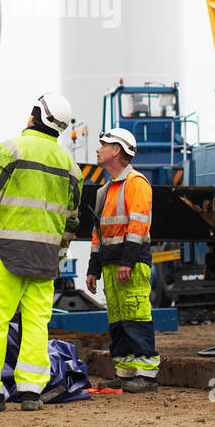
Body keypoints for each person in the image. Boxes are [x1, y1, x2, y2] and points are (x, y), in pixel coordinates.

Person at [0, 93, 81, 414]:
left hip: (6, 255)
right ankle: (29, 392)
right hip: (45, 260)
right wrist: (58, 255)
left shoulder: (11, 150)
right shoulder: (71, 167)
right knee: (37, 324)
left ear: (34, 116)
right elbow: (71, 221)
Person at [85, 127, 160, 392]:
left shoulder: (136, 183)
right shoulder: (104, 191)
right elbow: (98, 234)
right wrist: (93, 269)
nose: (98, 149)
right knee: (118, 319)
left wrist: (128, 262)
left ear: (117, 150)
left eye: (102, 145)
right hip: (111, 265)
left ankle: (147, 376)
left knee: (136, 316)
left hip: (131, 264)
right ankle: (126, 374)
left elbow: (138, 225)